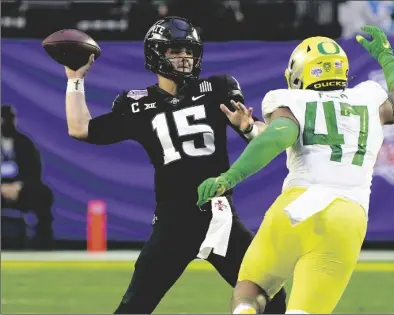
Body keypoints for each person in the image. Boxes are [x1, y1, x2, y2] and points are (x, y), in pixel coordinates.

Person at [63, 16, 287, 314]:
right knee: (134, 307)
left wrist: (247, 128)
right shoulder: (136, 103)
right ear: (156, 53)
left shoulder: (218, 87)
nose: (184, 57)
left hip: (219, 218)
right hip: (174, 222)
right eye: (175, 50)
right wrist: (75, 80)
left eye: (189, 51)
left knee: (273, 300)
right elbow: (81, 128)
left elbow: (262, 136)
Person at [197, 25, 394, 314]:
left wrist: (229, 177)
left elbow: (280, 136)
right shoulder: (369, 99)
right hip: (347, 216)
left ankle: (245, 310)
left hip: (295, 208)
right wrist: (386, 57)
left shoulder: (292, 101)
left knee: (252, 288)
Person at [1, 104, 54, 250]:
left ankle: (42, 245)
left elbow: (34, 170)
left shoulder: (24, 143)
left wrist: (19, 185)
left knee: (43, 194)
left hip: (21, 188)